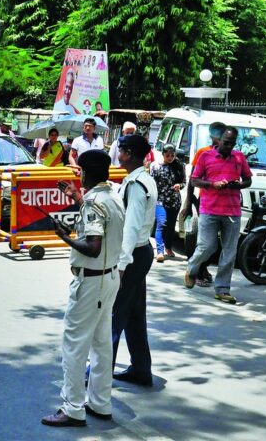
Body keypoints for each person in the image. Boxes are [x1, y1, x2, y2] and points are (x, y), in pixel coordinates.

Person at [41, 150, 124, 427]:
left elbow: (93, 246)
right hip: (109, 277)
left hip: (91, 280)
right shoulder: (112, 196)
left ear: (86, 173)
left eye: (80, 171)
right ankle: (100, 403)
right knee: (101, 344)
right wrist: (78, 198)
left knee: (75, 345)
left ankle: (72, 407)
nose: (78, 175)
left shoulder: (93, 204)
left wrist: (65, 237)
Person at [184, 127, 251, 304]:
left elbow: (248, 179)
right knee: (206, 246)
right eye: (226, 142)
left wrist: (238, 184)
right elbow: (194, 180)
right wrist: (213, 184)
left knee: (229, 252)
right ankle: (191, 269)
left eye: (232, 143)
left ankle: (222, 289)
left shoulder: (239, 157)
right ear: (218, 141)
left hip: (232, 210)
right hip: (209, 209)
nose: (229, 146)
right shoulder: (205, 156)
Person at [111, 134, 157, 387]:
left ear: (128, 153)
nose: (118, 154)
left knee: (115, 314)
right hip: (140, 253)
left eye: (120, 150)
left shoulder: (137, 184)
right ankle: (141, 369)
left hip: (134, 254)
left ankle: (99, 371)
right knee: (135, 314)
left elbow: (131, 225)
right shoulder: (142, 179)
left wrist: (121, 264)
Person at [182, 121, 226, 286]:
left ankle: (202, 268)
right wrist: (188, 202)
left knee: (216, 243)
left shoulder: (230, 154)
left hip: (224, 204)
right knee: (206, 241)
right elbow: (192, 180)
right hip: (205, 202)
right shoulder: (203, 152)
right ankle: (198, 270)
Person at [152, 144, 186, 263]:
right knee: (161, 223)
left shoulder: (179, 166)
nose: (170, 158)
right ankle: (160, 251)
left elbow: (184, 182)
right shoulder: (156, 166)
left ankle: (168, 247)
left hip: (174, 201)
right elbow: (152, 183)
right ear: (163, 154)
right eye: (168, 155)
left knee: (170, 226)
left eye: (172, 155)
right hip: (160, 199)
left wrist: (179, 185)